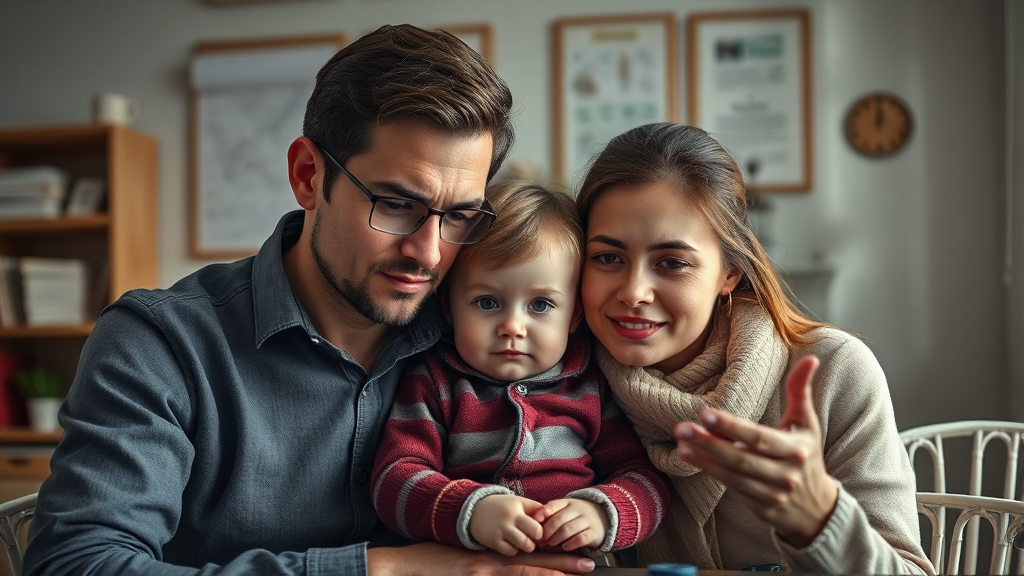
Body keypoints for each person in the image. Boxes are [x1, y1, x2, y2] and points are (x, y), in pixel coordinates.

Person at [22, 25, 597, 576]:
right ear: (307, 176)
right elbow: (77, 565)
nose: (428, 253)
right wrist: (388, 569)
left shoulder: (480, 323)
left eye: (459, 216)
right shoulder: (161, 344)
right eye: (396, 204)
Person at [574, 122, 934, 574]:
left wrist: (820, 521)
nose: (634, 291)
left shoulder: (833, 371)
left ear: (728, 272)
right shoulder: (557, 380)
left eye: (672, 263)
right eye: (608, 257)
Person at [371, 181, 669, 559]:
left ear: (574, 314)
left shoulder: (588, 385)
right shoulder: (434, 382)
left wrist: (602, 512)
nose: (513, 326)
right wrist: (471, 508)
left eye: (541, 305)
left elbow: (646, 481)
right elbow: (393, 479)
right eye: (488, 302)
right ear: (449, 309)